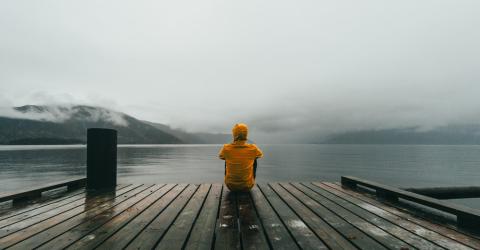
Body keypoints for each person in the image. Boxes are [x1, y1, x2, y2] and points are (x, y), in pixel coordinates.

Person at [219, 123, 263, 192]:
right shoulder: (253, 148)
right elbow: (260, 155)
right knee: (254, 158)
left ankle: (230, 179)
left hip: (230, 186)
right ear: (246, 134)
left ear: (234, 134)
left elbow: (221, 156)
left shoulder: (226, 148)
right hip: (247, 186)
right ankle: (250, 180)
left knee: (226, 158)